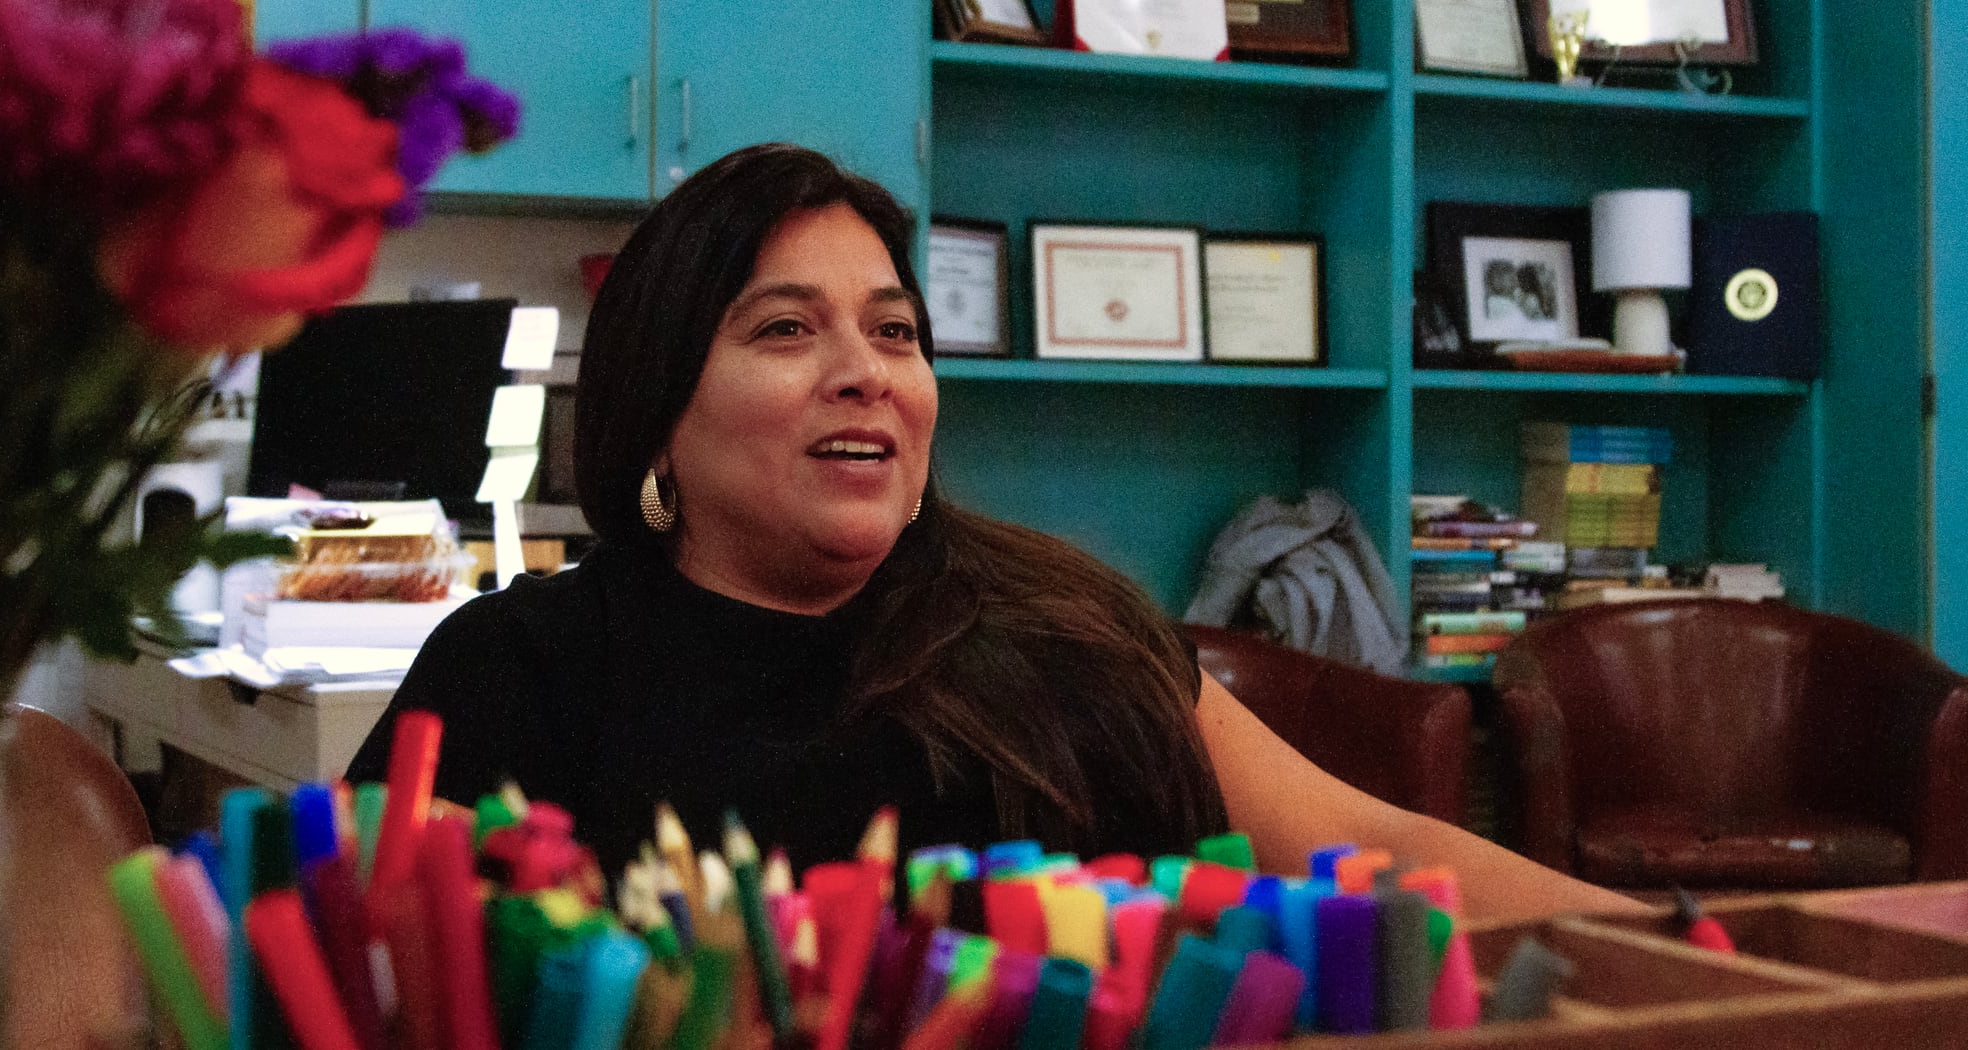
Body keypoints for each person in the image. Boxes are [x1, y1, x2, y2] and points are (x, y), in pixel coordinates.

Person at [347, 144, 1632, 923]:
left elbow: (1376, 850)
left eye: (895, 329)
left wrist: (1684, 944)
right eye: (785, 328)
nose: (868, 372)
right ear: (659, 409)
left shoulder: (1059, 619)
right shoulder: (519, 668)